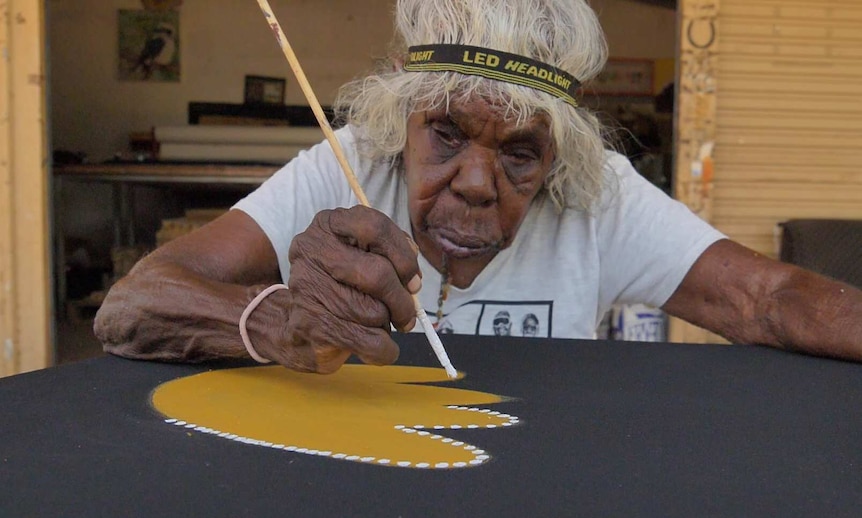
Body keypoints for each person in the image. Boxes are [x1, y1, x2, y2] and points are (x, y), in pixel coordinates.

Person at [94, 0, 862, 373]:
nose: (475, 186)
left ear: (561, 157)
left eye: (520, 153)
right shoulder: (350, 163)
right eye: (448, 135)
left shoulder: (600, 198)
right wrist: (274, 318)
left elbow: (764, 298)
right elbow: (132, 305)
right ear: (402, 121)